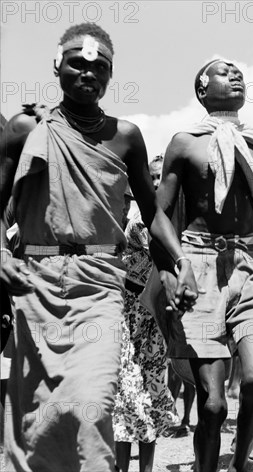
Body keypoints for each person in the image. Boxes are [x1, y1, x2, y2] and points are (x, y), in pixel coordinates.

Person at [0, 24, 197, 472]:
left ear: (111, 76)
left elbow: (153, 213)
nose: (88, 72)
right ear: (58, 66)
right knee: (38, 416)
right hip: (37, 285)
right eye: (78, 63)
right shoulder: (24, 128)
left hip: (99, 287)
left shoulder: (125, 136)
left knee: (92, 404)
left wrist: (181, 261)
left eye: (100, 67)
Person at [141, 58, 253, 472]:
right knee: (214, 404)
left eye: (238, 70)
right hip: (199, 266)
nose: (235, 74)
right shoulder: (185, 143)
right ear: (202, 90)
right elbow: (159, 216)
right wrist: (175, 265)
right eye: (223, 71)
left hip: (251, 267)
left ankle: (238, 464)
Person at [112, 155, 180, 472]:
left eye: (161, 177)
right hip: (130, 313)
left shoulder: (173, 222)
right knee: (128, 394)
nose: (155, 183)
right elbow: (157, 246)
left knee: (152, 391)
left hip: (154, 318)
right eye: (151, 177)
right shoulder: (142, 222)